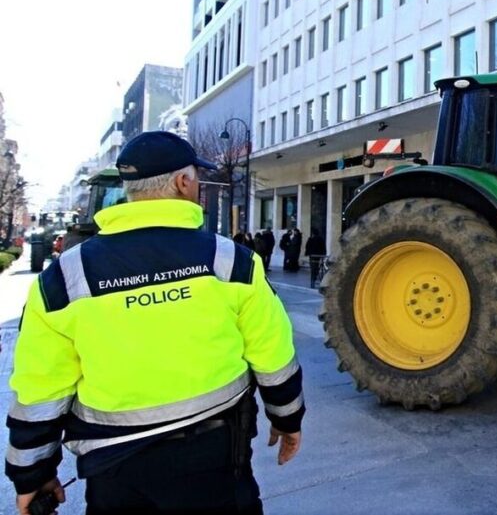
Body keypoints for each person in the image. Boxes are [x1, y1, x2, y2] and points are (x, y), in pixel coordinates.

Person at [5, 131, 304, 514]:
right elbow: (273, 356)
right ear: (183, 182)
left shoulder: (65, 277)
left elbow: (40, 389)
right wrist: (288, 418)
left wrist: (31, 475)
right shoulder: (231, 261)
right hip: (215, 463)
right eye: (197, 176)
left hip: (114, 472)